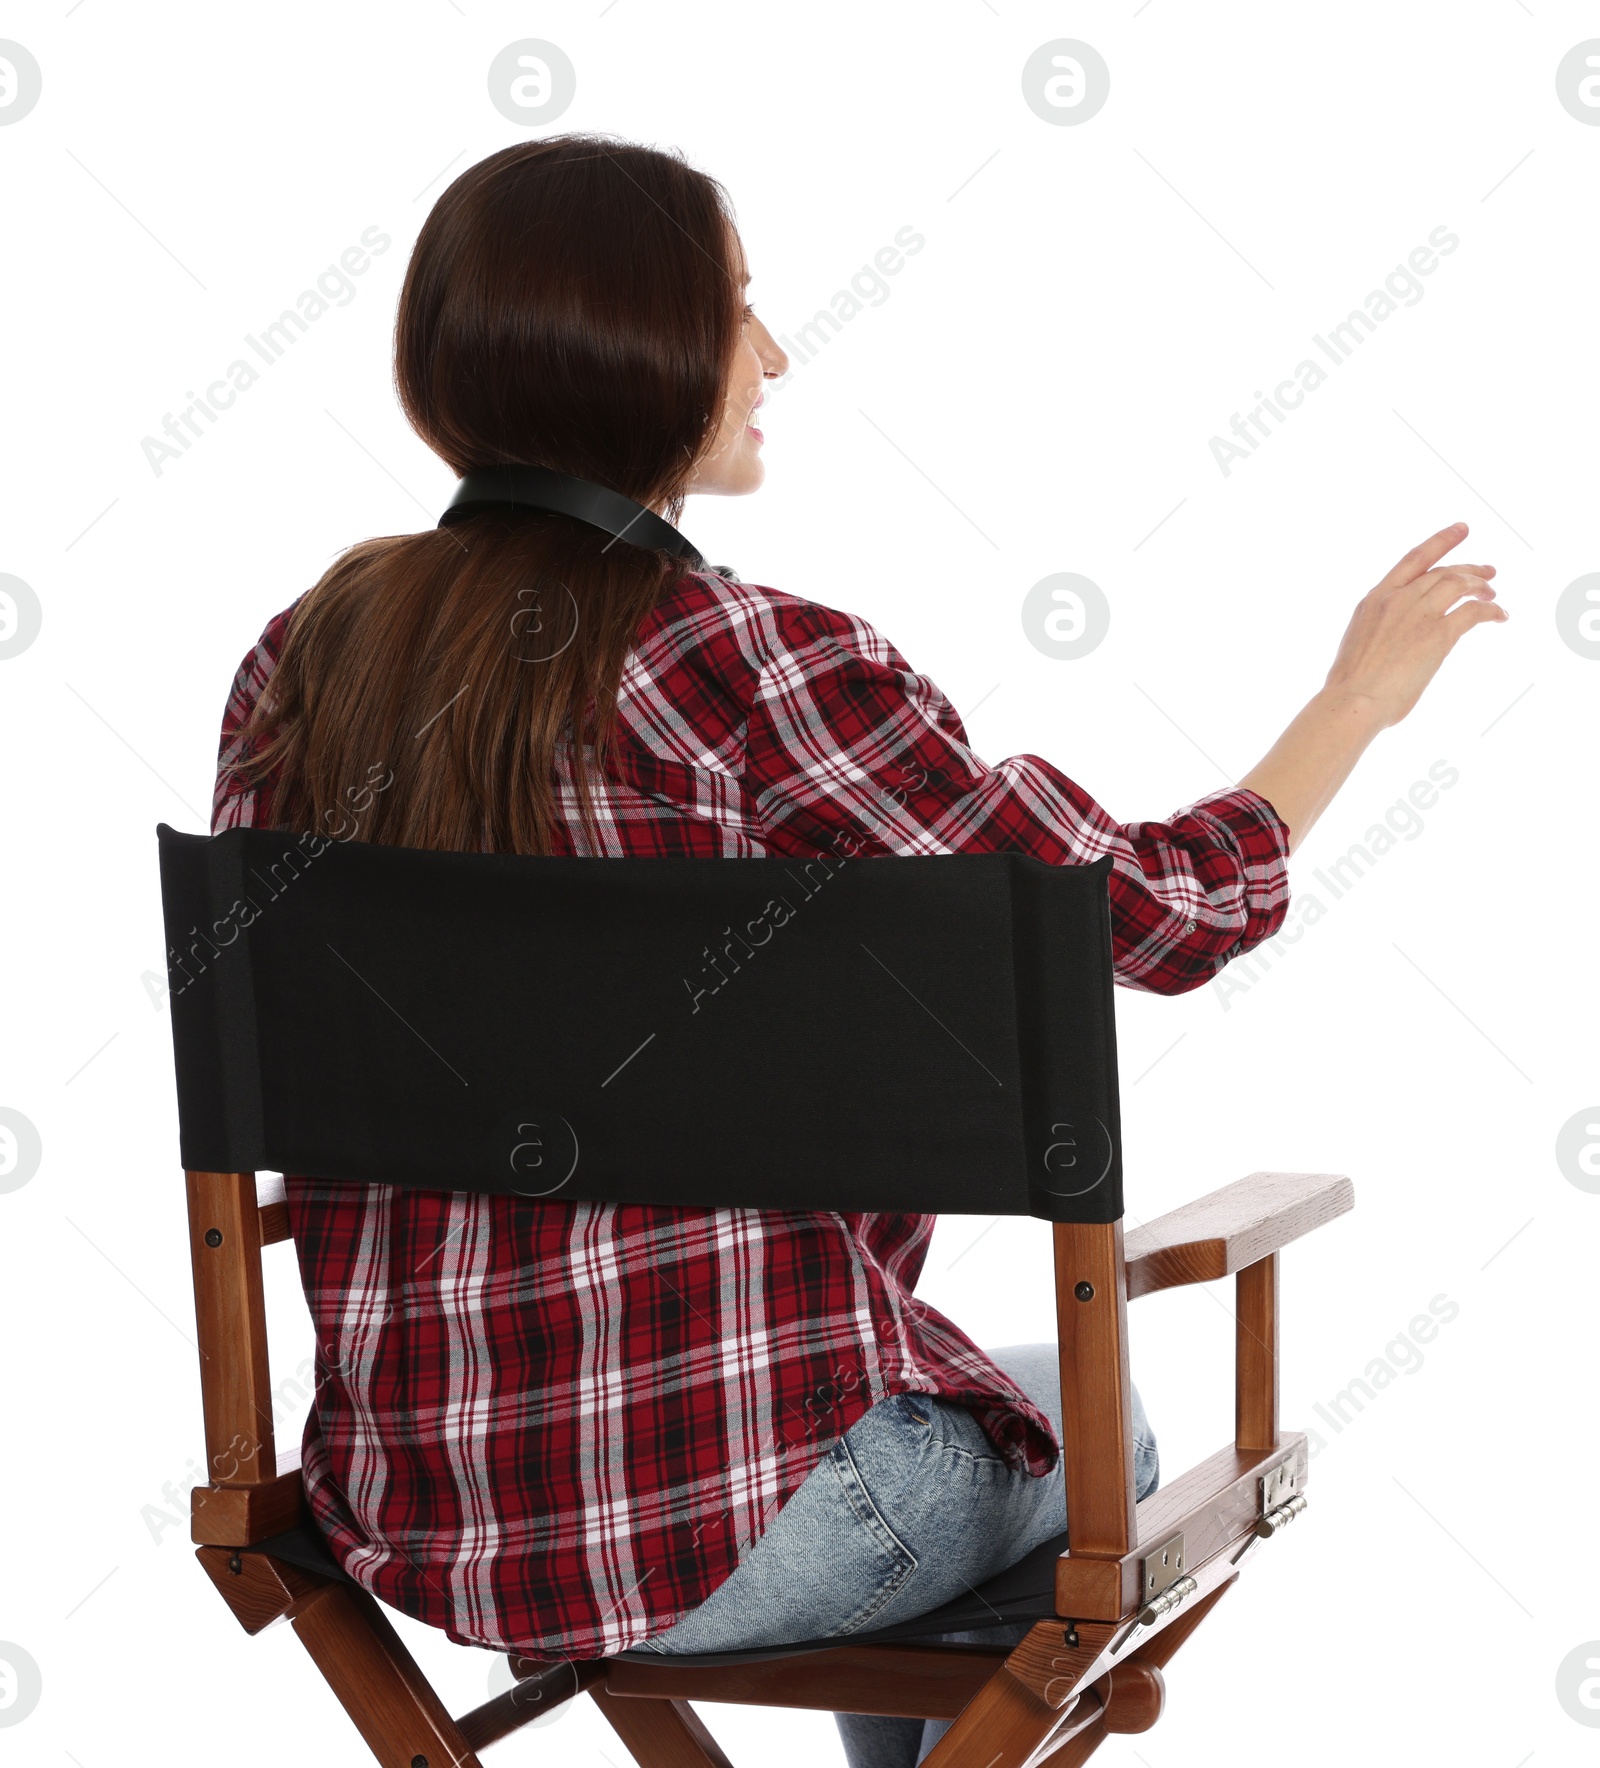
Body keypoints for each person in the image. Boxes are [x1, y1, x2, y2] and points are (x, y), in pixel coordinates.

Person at [210, 135, 1505, 1768]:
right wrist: (1352, 710)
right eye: (740, 313)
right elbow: (1155, 916)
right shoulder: (753, 669)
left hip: (414, 1517)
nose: (774, 356)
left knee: (963, 1394)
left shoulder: (300, 666)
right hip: (749, 1535)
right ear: (640, 351)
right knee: (1096, 1420)